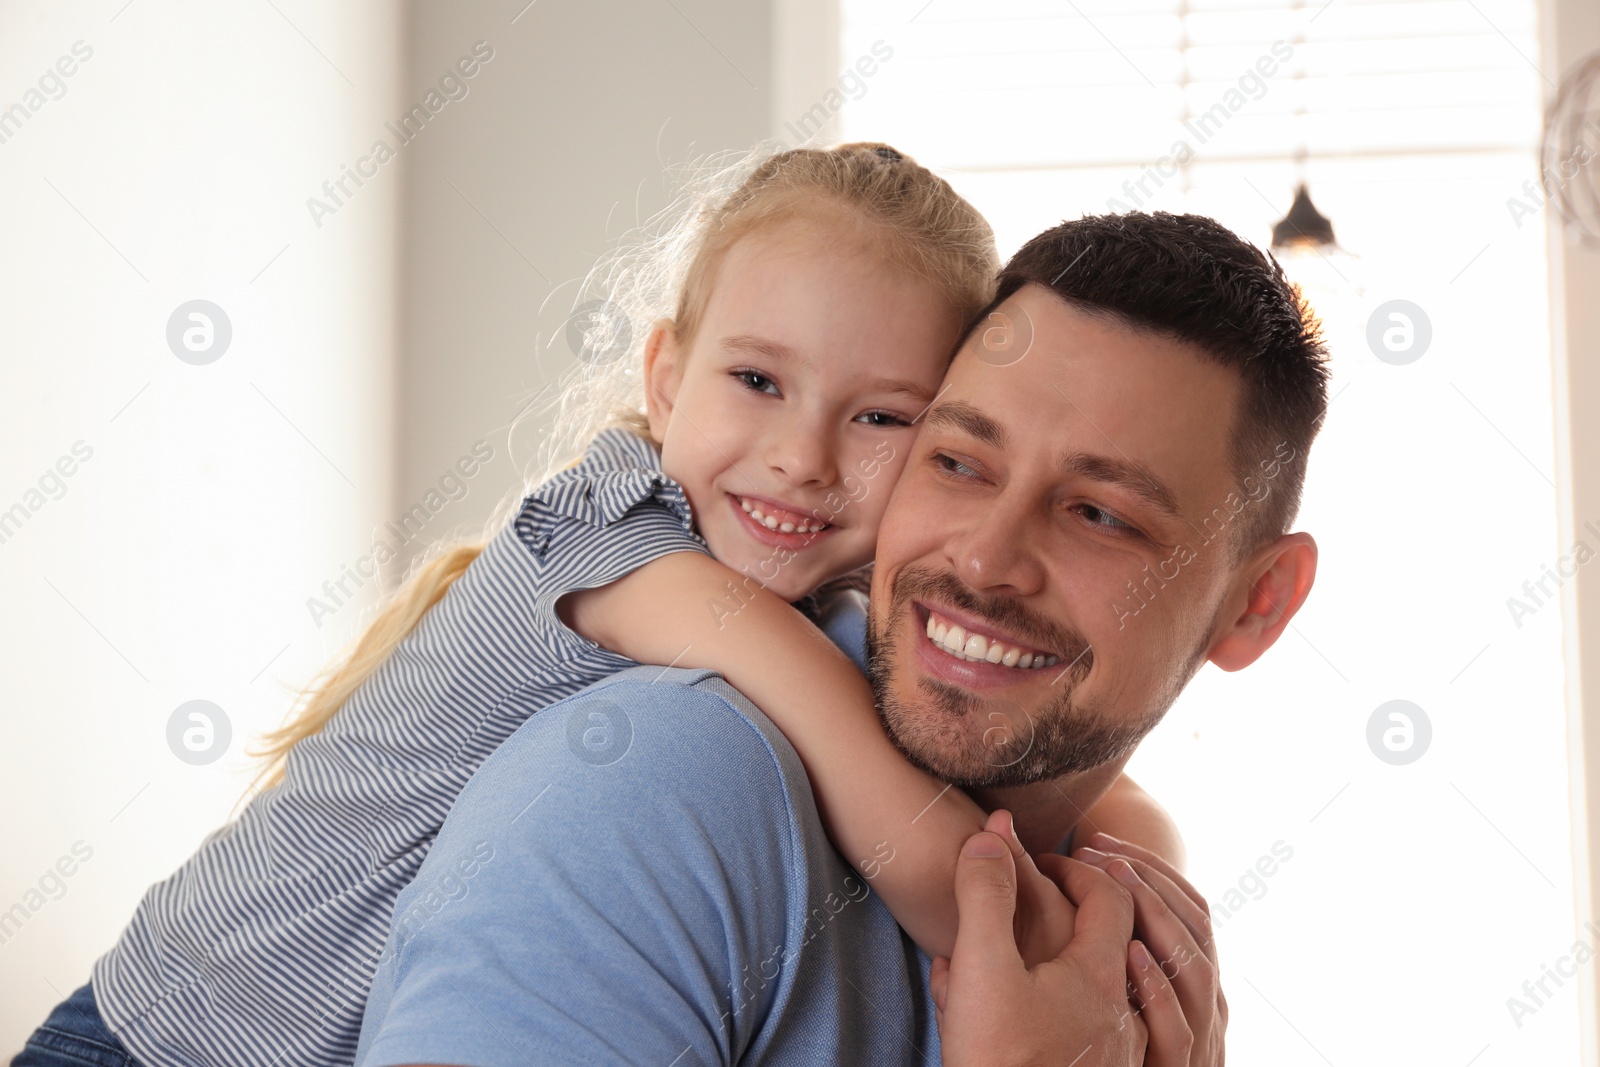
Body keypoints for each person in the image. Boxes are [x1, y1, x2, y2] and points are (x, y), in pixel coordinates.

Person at [14, 144, 1176, 1067]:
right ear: (666, 376)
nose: (800, 455)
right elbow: (937, 859)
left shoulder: (827, 594)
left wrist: (1144, 867)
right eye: (757, 381)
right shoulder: (616, 543)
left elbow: (1079, 784)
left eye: (883, 418)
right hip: (158, 1041)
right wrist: (1098, 975)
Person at [350, 209, 1326, 1065]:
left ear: (1259, 602)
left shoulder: (1120, 935)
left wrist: (1141, 864)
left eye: (1098, 515)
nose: (985, 560)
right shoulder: (657, 782)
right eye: (957, 460)